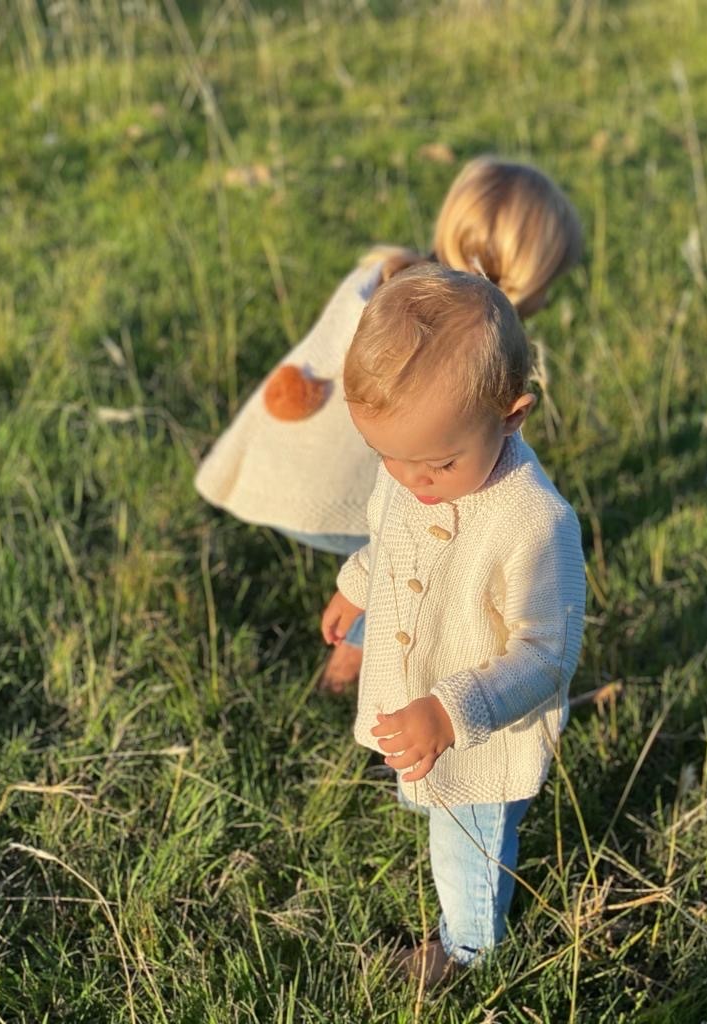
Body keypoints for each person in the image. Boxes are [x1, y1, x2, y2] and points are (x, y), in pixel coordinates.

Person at [194, 157, 583, 689]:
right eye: (545, 286)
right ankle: (354, 659)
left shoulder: (392, 280)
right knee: (403, 549)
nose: (545, 300)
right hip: (333, 490)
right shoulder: (476, 351)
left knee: (394, 538)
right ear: (517, 277)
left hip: (305, 469)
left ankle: (355, 651)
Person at [320, 264, 586, 981]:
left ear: (512, 415)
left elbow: (548, 652)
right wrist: (359, 586)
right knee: (439, 813)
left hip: (480, 731)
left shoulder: (533, 520)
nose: (412, 481)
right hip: (426, 704)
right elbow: (391, 538)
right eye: (388, 457)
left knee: (467, 839)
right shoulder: (415, 468)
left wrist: (450, 711)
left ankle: (470, 951)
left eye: (436, 461)